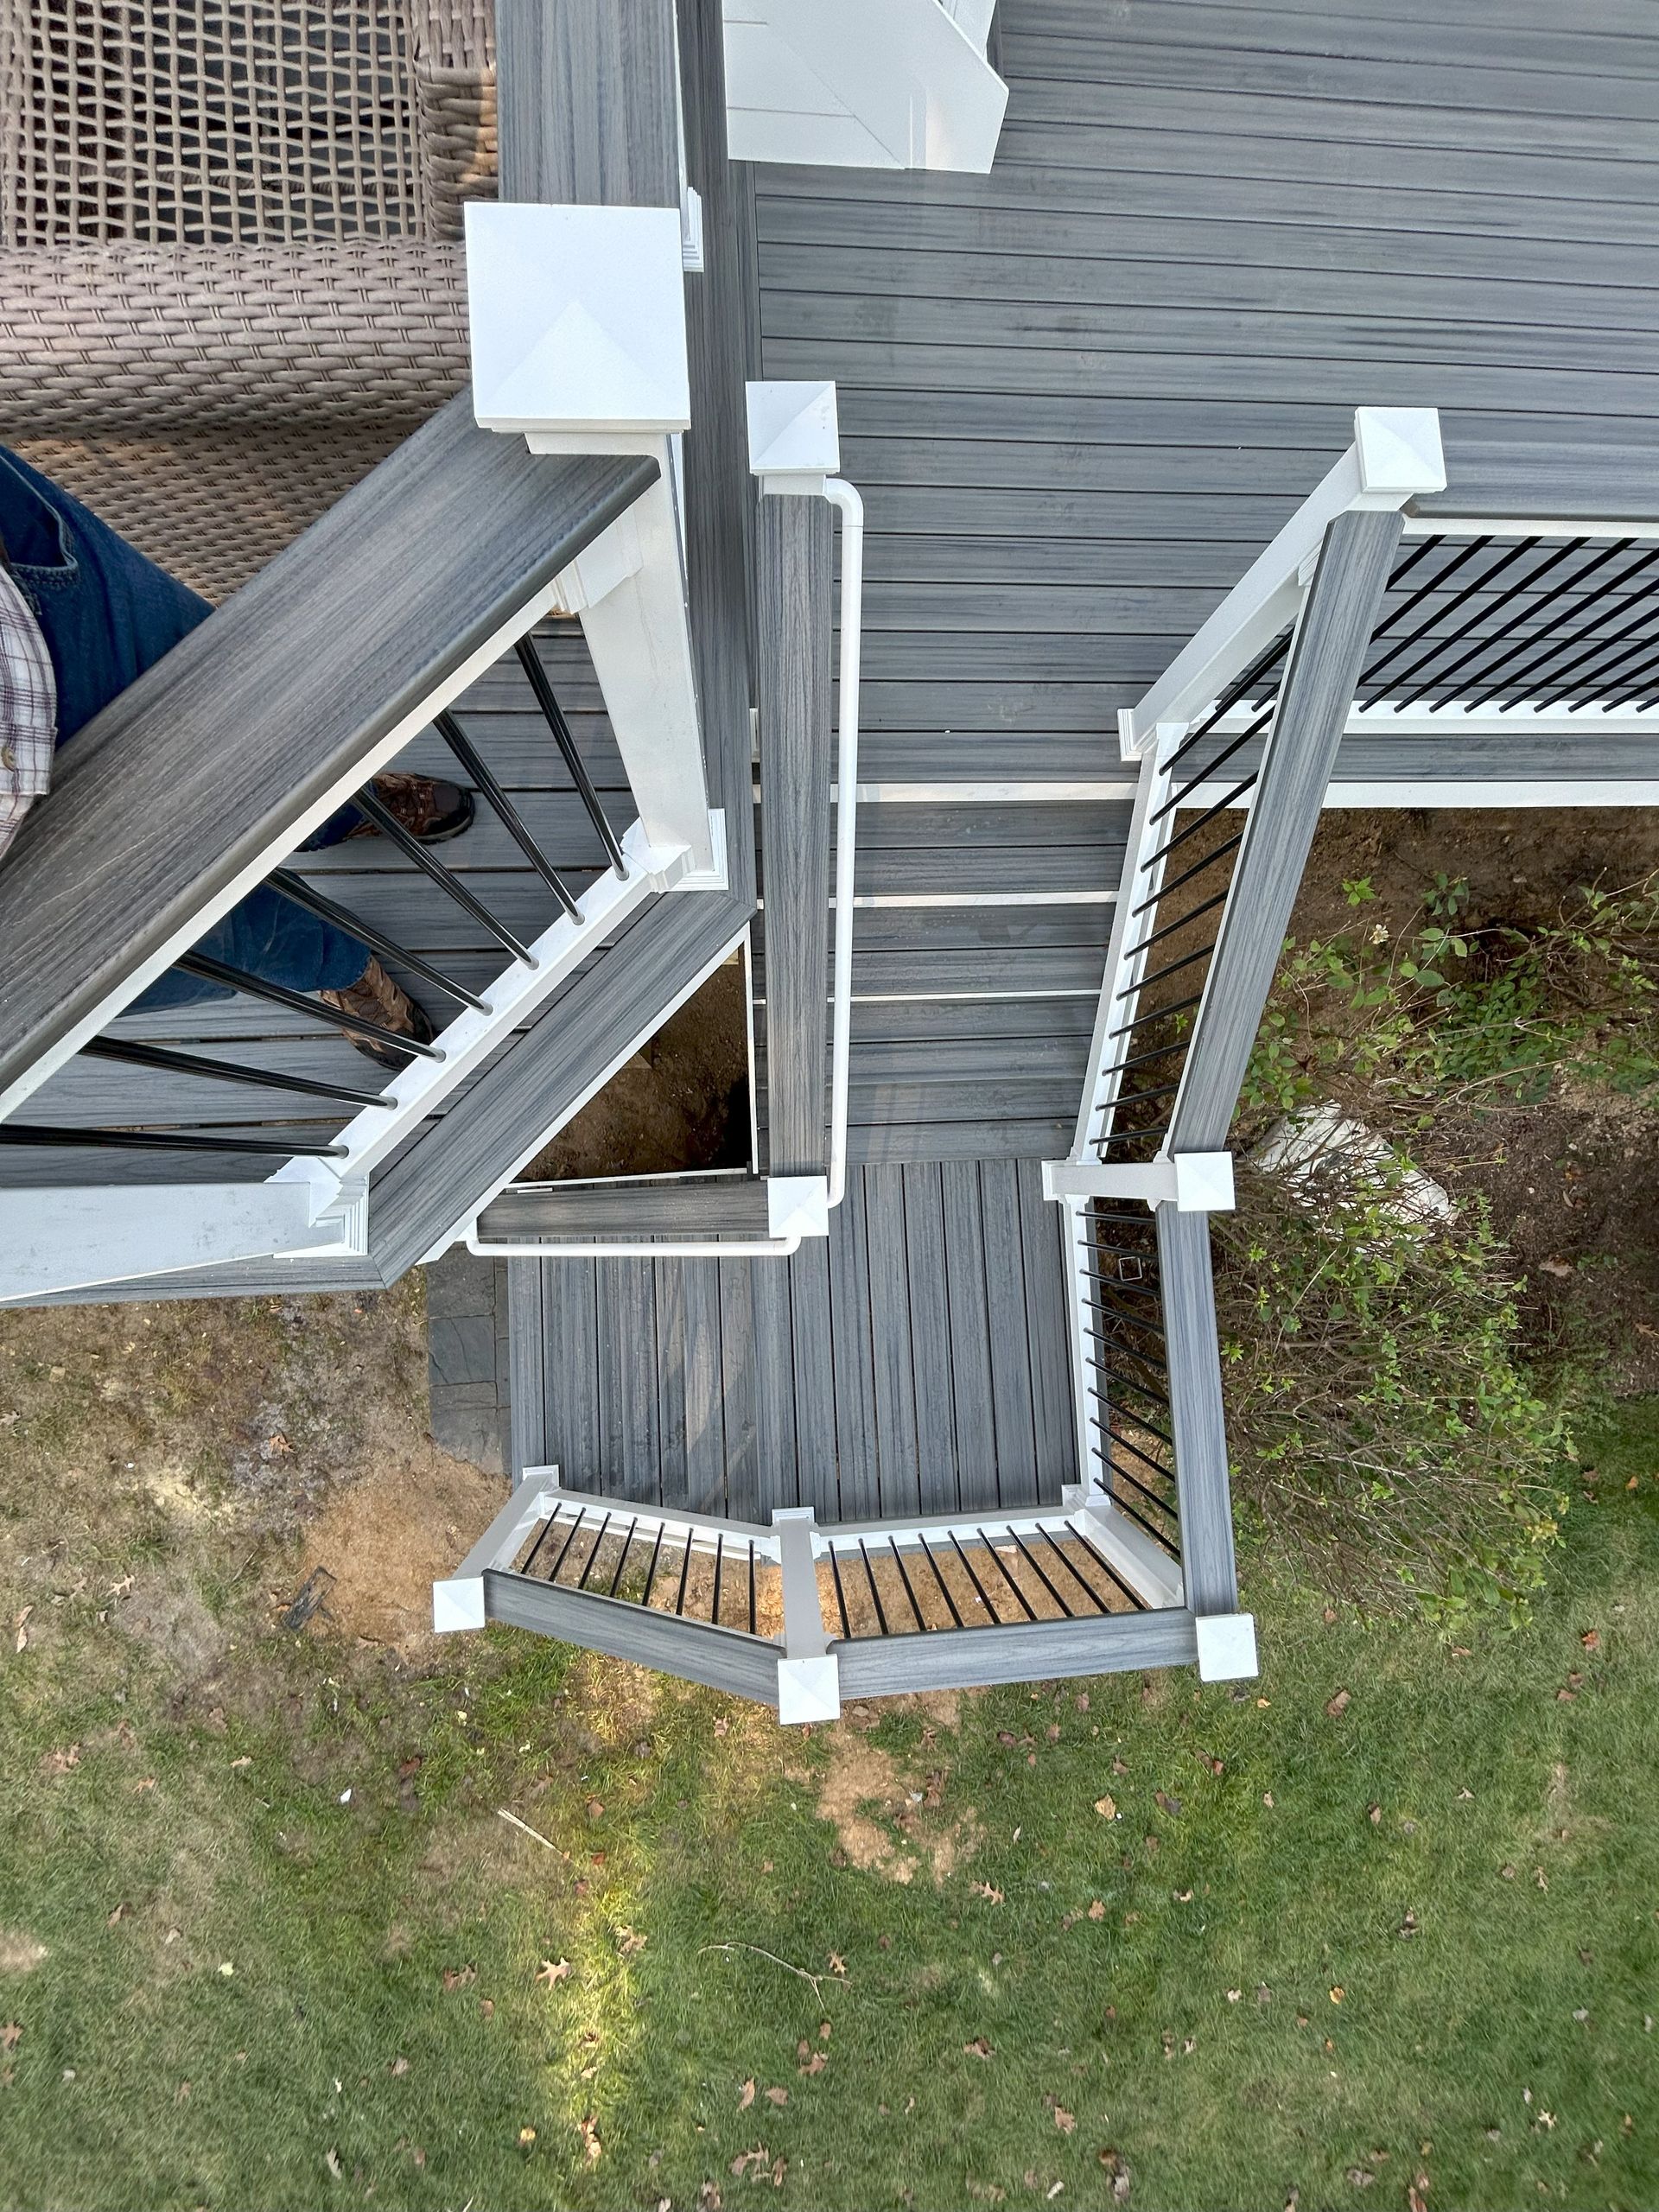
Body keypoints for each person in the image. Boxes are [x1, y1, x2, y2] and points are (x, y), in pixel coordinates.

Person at [0, 446, 474, 1069]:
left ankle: (341, 810)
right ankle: (338, 962)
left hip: (33, 614)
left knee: (263, 735)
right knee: (218, 942)